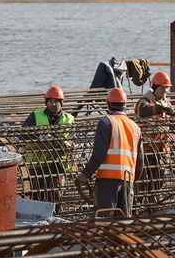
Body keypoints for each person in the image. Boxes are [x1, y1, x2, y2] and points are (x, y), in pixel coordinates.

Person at [75, 87, 145, 218]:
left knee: (104, 219)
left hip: (107, 180)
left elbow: (99, 154)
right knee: (124, 220)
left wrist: (85, 174)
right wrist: (132, 180)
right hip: (127, 180)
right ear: (124, 105)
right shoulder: (135, 127)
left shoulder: (106, 122)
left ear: (108, 104)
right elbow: (140, 161)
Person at [21, 85, 75, 207]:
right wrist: (38, 138)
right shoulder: (35, 116)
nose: (53, 104)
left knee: (56, 197)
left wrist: (65, 143)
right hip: (37, 164)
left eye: (56, 101)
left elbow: (73, 142)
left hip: (58, 164)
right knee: (37, 196)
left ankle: (55, 218)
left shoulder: (69, 119)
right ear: (46, 102)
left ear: (61, 103)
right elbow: (22, 135)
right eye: (50, 101)